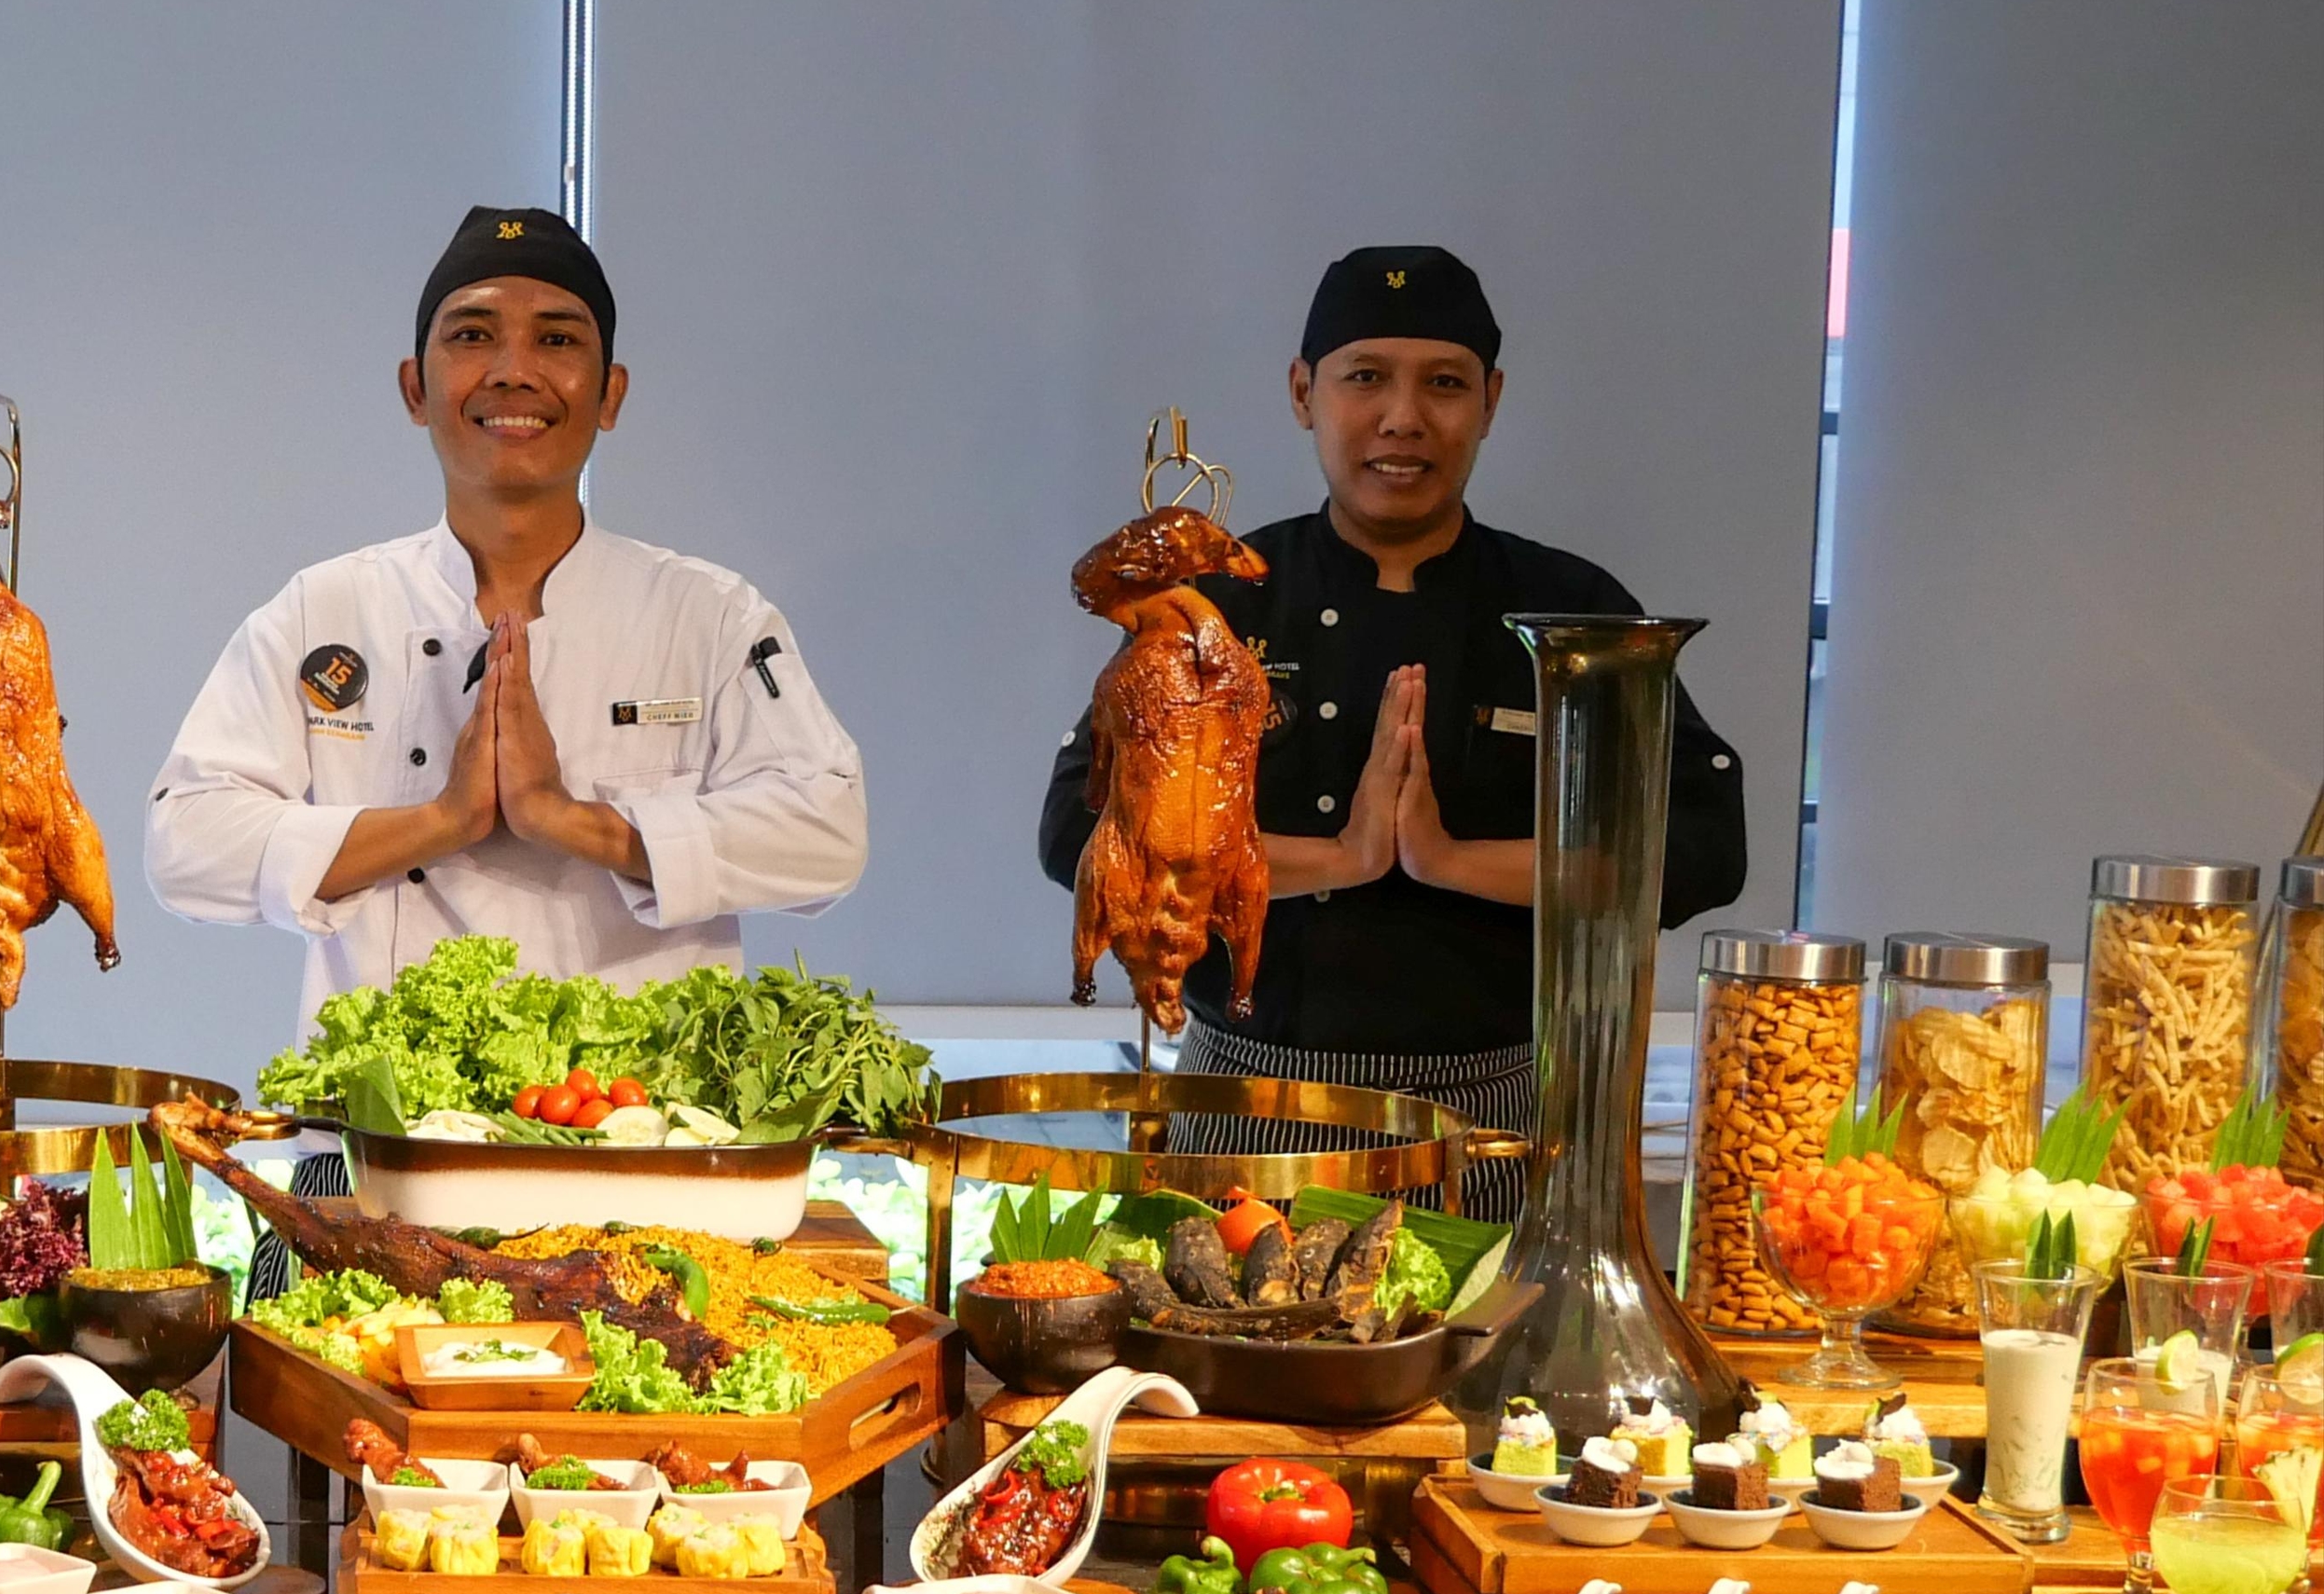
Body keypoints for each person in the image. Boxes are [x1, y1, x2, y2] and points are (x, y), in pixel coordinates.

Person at [1036, 246, 1747, 1216]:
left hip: (1493, 1123)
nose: (1404, 418)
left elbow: (1699, 850)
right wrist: (1344, 857)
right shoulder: (1216, 606)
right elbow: (1081, 837)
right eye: (1365, 377)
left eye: (1445, 384)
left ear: (1490, 401)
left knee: (1487, 1322)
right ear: (1304, 392)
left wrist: (1450, 861)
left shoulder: (1571, 610)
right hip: (1242, 1110)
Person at [143, 205, 870, 1024]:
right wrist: (439, 821)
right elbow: (185, 845)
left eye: (556, 339)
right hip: (379, 1103)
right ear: (415, 390)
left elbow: (827, 833)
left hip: (637, 1101)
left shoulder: (710, 618)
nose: (514, 371)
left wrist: (568, 820)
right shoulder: (322, 611)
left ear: (610, 395)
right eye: (472, 335)